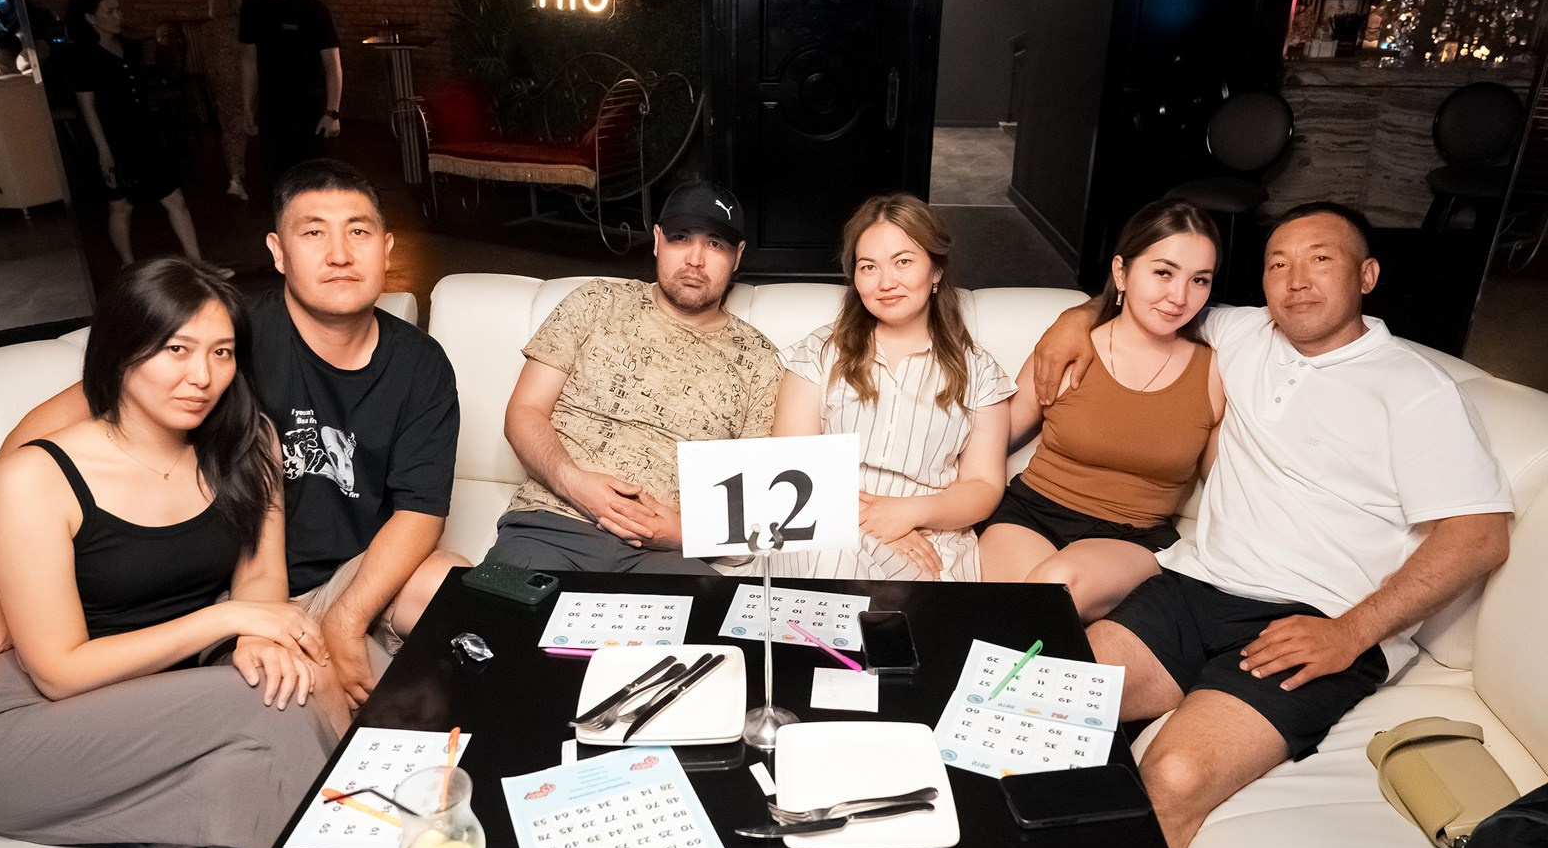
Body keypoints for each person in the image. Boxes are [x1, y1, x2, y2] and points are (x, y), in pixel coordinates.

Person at [1031, 202, 1512, 848]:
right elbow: (1147, 297)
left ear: (1367, 275)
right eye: (1277, 264)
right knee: (1038, 699)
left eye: (1321, 260)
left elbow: (1480, 535)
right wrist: (1074, 318)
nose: (1296, 281)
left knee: (1176, 774)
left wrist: (1352, 631)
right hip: (1196, 588)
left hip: (1319, 621)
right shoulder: (1243, 331)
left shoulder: (1415, 388)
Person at [0, 159, 466, 720]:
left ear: (386, 249)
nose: (340, 254)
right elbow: (31, 436)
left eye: (358, 231)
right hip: (234, 595)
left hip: (349, 582)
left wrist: (346, 620)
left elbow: (420, 513)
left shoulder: (421, 364)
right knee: (298, 697)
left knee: (458, 588)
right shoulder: (226, 338)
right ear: (278, 252)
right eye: (314, 232)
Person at [0, 259, 336, 848]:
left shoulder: (248, 441)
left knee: (260, 742)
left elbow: (260, 574)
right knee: (270, 705)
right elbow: (59, 671)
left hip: (155, 703)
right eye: (176, 350)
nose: (202, 376)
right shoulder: (38, 476)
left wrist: (252, 631)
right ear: (122, 350)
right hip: (23, 731)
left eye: (221, 352)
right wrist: (227, 621)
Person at [485, 181, 782, 573]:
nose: (695, 259)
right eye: (680, 238)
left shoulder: (759, 359)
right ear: (657, 240)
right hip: (553, 525)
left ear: (737, 255)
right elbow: (524, 411)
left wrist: (683, 533)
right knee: (499, 612)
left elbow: (754, 493)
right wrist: (575, 484)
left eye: (715, 243)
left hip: (665, 555)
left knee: (728, 615)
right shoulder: (596, 302)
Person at [977, 199, 1225, 621]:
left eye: (1199, 280)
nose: (1180, 297)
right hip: (1031, 512)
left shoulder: (1213, 371)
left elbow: (1229, 488)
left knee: (1057, 585)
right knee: (1013, 615)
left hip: (1133, 537)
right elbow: (991, 439)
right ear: (1121, 272)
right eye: (1163, 273)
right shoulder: (1068, 347)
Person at [772, 194, 1012, 580]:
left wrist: (907, 514)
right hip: (827, 519)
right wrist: (867, 521)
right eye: (869, 267)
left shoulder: (979, 372)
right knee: (831, 561)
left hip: (929, 539)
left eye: (903, 262)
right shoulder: (818, 352)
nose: (886, 283)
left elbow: (983, 485)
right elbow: (792, 462)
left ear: (936, 270)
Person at [65, 0, 201, 266]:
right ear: (90, 18)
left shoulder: (128, 47)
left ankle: (197, 264)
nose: (118, 16)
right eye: (109, 11)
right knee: (120, 205)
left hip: (144, 133)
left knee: (174, 197)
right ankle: (128, 265)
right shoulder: (84, 56)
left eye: (118, 9)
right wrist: (104, 151)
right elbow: (87, 107)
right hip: (113, 138)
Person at [239, 0, 342, 185]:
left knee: (313, 184)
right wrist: (247, 107)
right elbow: (249, 60)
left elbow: (332, 64)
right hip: (271, 111)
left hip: (309, 112)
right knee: (277, 183)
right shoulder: (252, 6)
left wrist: (332, 112)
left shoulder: (312, 8)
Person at [204, 0, 250, 201]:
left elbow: (208, 63)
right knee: (244, 125)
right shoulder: (243, 24)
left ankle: (235, 177)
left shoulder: (209, 28)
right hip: (247, 80)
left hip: (224, 83)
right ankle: (241, 174)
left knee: (231, 130)